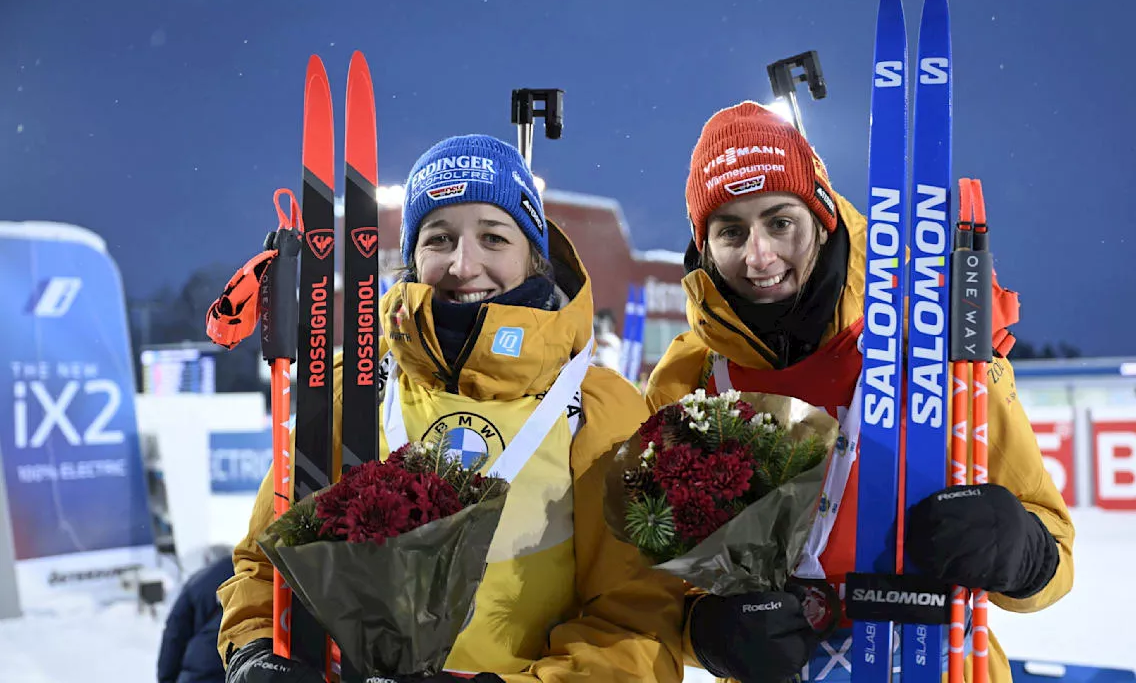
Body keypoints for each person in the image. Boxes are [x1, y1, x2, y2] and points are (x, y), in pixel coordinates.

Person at [216, 134, 685, 683]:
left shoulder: (604, 410)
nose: (465, 264)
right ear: (412, 258)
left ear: (533, 254)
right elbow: (264, 565)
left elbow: (640, 623)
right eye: (439, 239)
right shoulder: (356, 385)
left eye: (493, 236)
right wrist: (256, 649)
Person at [643, 102, 1075, 683]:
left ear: (821, 217)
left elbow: (1055, 548)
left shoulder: (925, 333)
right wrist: (706, 631)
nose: (759, 255)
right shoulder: (689, 378)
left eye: (780, 221)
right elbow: (659, 582)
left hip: (936, 664)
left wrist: (1020, 550)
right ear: (704, 245)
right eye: (730, 231)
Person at [157, 548, 234, 683]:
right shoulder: (259, 574)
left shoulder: (197, 582)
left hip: (202, 670)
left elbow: (174, 634)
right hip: (248, 666)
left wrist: (166, 678)